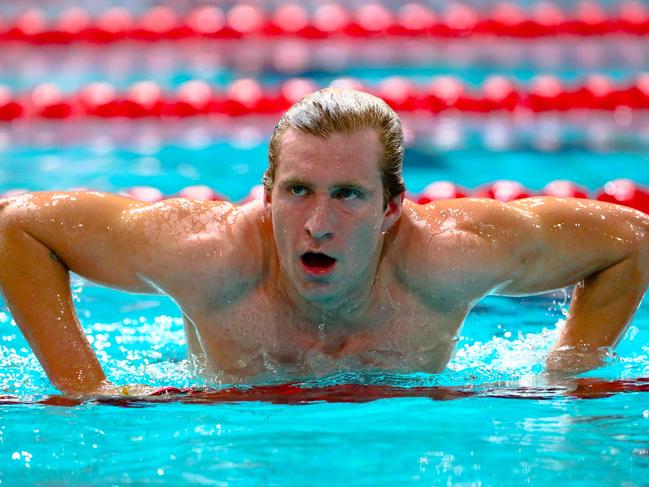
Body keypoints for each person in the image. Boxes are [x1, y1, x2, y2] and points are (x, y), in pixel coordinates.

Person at [0, 88, 647, 396]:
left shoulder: (454, 254)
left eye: (348, 194)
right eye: (297, 190)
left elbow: (630, 240)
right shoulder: (204, 254)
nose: (316, 223)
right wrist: (83, 384)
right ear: (266, 191)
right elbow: (16, 224)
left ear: (393, 206)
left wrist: (566, 375)